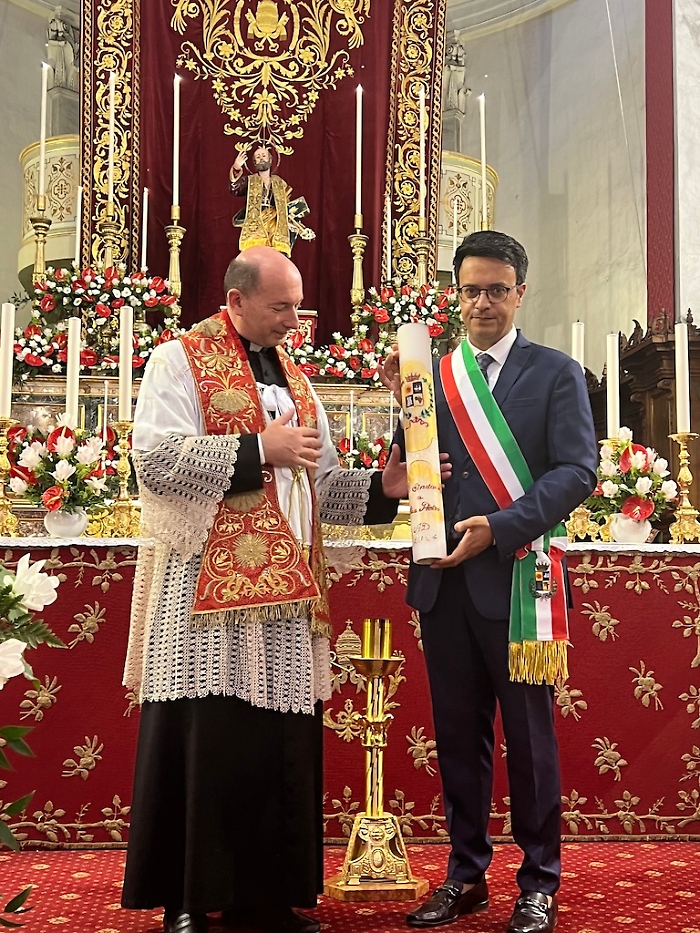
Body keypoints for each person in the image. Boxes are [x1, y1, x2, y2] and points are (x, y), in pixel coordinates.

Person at [121, 246, 397, 933]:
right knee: (206, 739)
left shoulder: (299, 382)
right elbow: (153, 460)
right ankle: (187, 898)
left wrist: (384, 490)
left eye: (298, 306)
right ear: (236, 301)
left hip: (284, 601)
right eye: (281, 307)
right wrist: (257, 450)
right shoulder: (177, 360)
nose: (294, 320)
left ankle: (266, 898)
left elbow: (322, 484)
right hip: (202, 596)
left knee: (275, 746)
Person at [380, 231, 597, 933]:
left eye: (496, 289)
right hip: (442, 583)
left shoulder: (556, 372)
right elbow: (401, 473)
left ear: (520, 292)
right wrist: (398, 419)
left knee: (530, 743)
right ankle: (465, 873)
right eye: (471, 289)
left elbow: (576, 470)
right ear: (457, 293)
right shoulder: (431, 375)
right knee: (456, 737)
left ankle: (540, 881)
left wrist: (500, 525)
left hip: (515, 580)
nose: (482, 302)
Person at [230, 145, 315, 255]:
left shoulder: (280, 183)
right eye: (258, 156)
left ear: (270, 159)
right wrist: (236, 166)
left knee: (276, 256)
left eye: (264, 155)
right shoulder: (250, 181)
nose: (261, 158)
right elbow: (235, 188)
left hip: (275, 225)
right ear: (254, 162)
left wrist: (298, 228)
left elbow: (286, 208)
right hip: (256, 223)